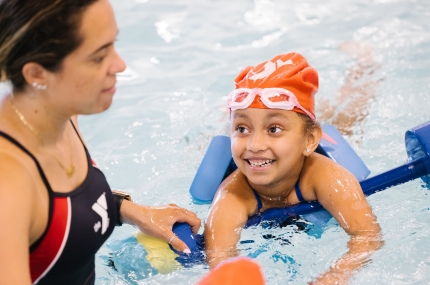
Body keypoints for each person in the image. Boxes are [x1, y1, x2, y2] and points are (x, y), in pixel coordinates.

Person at [0, 0, 200, 284]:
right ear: (37, 74)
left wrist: (136, 212)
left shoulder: (61, 112)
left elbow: (61, 207)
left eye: (113, 44)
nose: (119, 64)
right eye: (98, 57)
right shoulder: (9, 183)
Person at [203, 52, 383, 284]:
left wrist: (332, 277)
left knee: (348, 116)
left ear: (310, 140)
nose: (255, 145)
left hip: (321, 145)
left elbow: (367, 237)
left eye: (274, 129)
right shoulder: (231, 196)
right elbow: (220, 261)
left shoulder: (328, 177)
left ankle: (363, 65)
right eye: (242, 128)